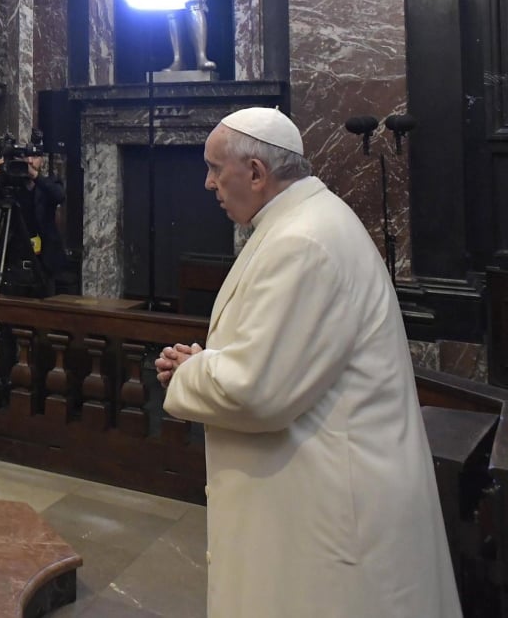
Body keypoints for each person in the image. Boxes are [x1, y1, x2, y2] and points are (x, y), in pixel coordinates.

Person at [156, 107, 460, 618]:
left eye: (214, 168)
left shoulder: (302, 240)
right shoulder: (305, 221)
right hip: (318, 483)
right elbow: (281, 355)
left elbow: (257, 392)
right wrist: (215, 361)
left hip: (330, 506)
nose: (208, 183)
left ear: (255, 172)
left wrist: (190, 372)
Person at [0, 146, 66, 297]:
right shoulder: (13, 188)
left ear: (42, 160)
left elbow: (59, 195)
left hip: (44, 264)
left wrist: (34, 175)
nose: (30, 161)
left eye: (35, 157)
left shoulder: (49, 183)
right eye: (26, 158)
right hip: (15, 263)